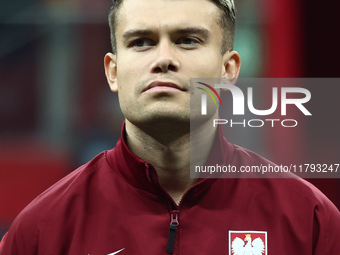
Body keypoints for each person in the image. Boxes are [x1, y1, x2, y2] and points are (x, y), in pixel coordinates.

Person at [1, 0, 339, 254]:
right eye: (141, 42)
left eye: (188, 40)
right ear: (113, 72)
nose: (164, 58)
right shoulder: (41, 230)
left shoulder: (309, 221)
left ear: (228, 69)